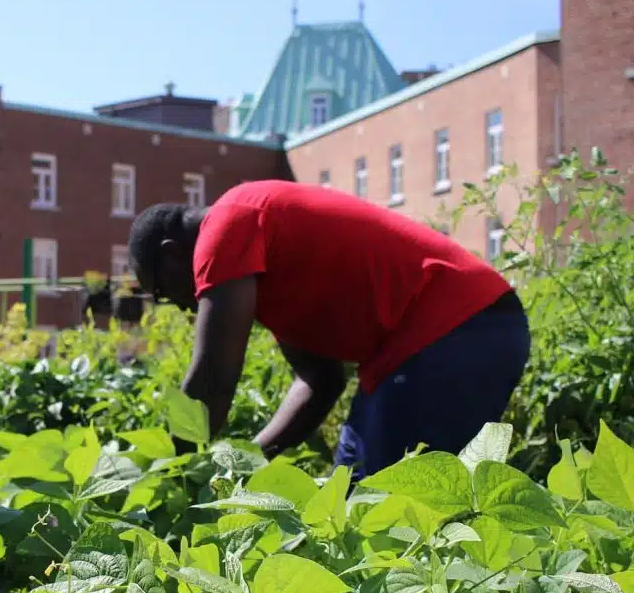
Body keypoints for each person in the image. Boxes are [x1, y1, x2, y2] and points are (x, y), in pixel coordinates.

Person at [127, 179, 531, 479]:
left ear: (172, 254)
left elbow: (214, 376)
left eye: (163, 292)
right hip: (444, 339)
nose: (181, 306)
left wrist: (168, 471)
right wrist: (249, 461)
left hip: (458, 328)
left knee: (384, 507)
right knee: (350, 492)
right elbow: (320, 380)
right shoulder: (261, 263)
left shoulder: (229, 225)